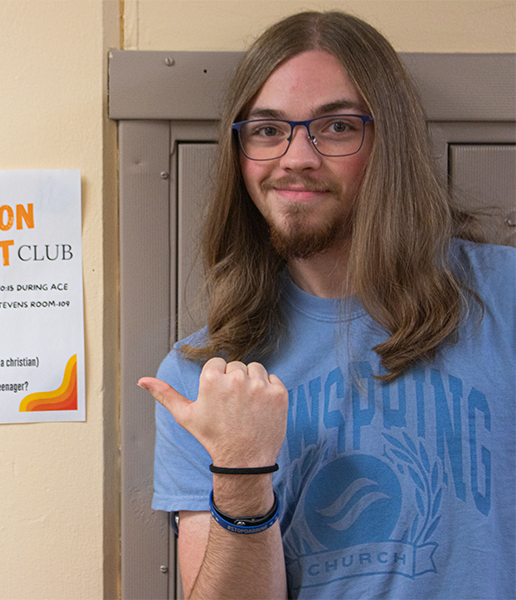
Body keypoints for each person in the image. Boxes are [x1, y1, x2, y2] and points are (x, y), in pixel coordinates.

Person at [138, 10, 515, 600]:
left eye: (336, 127)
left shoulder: (504, 300)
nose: (296, 157)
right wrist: (241, 475)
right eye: (267, 130)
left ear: (390, 142)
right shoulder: (203, 376)